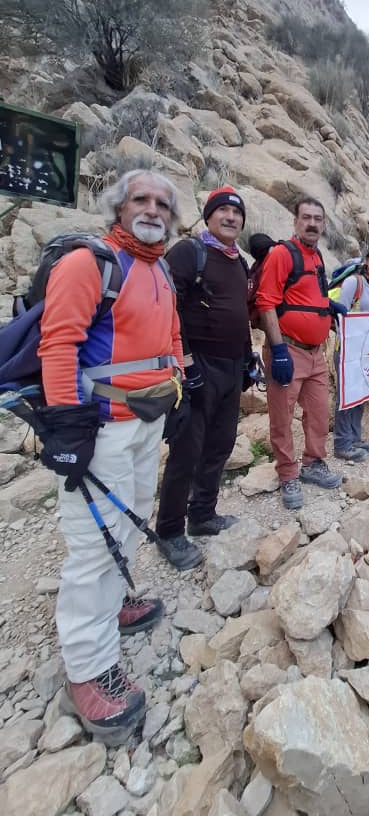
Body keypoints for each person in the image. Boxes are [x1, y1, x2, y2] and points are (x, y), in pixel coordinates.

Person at [37, 169, 184, 744]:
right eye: (140, 199)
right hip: (100, 429)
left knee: (131, 518)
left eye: (162, 204)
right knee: (94, 547)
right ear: (119, 207)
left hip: (147, 420)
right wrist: (66, 427)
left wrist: (179, 382)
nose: (152, 209)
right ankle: (88, 670)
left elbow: (170, 336)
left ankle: (115, 604)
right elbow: (58, 344)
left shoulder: (159, 268)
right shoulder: (89, 264)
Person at [155, 186, 249, 570]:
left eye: (237, 213)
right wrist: (186, 362)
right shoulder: (188, 252)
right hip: (198, 366)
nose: (231, 217)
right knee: (187, 451)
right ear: (209, 216)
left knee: (220, 444)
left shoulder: (239, 262)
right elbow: (168, 308)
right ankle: (169, 531)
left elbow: (240, 312)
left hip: (232, 366)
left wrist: (248, 358)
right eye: (223, 210)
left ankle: (203, 515)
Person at [256, 197, 343, 511]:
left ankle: (313, 462)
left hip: (316, 353)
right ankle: (287, 473)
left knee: (319, 412)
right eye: (306, 217)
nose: (312, 224)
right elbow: (266, 302)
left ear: (323, 224)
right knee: (282, 416)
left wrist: (328, 308)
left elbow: (307, 296)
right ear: (295, 221)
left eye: (318, 219)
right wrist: (278, 349)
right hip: (288, 349)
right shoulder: (282, 254)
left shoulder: (316, 256)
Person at [335, 243, 369, 458]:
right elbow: (339, 314)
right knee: (345, 395)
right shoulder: (353, 283)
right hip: (348, 349)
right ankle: (342, 444)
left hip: (367, 351)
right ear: (366, 260)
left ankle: (355, 438)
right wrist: (347, 342)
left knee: (359, 394)